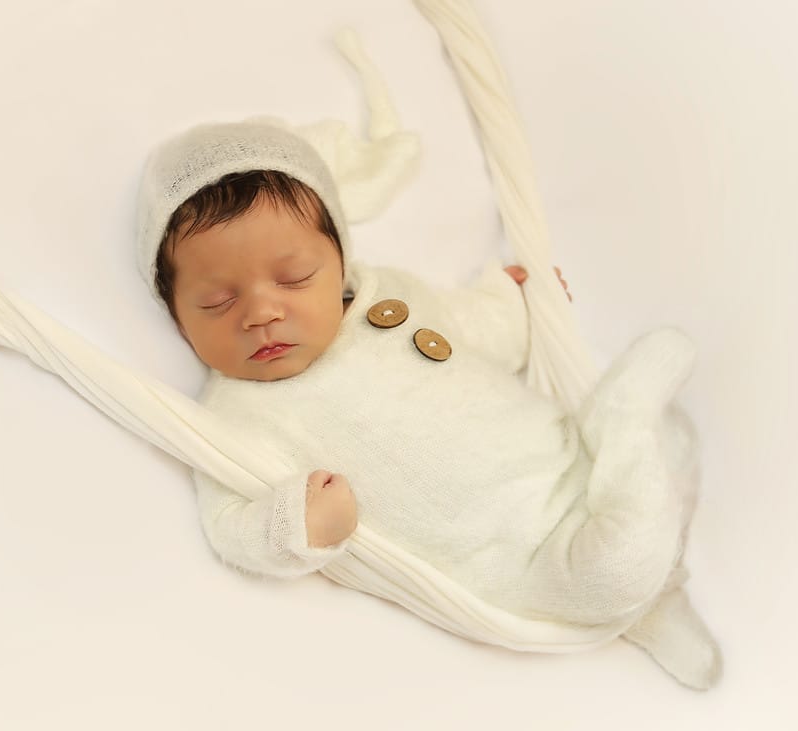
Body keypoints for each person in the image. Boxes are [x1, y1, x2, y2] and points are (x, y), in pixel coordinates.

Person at [134, 120, 721, 688]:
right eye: (217, 302)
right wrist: (295, 525)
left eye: (294, 278)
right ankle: (625, 425)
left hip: (563, 456)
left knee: (671, 461)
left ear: (339, 264)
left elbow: (476, 329)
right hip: (516, 558)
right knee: (613, 570)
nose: (261, 312)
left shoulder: (388, 296)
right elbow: (230, 525)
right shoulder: (234, 417)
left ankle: (655, 592)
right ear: (178, 319)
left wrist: (517, 303)